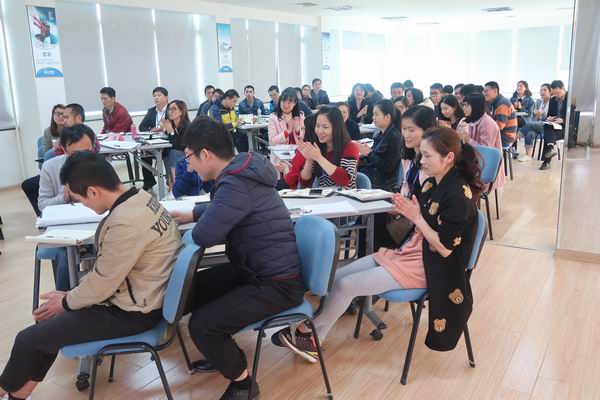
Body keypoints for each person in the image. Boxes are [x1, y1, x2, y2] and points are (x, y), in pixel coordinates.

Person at [274, 126, 482, 360]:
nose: (421, 161)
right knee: (337, 277)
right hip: (411, 252)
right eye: (421, 155)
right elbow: (424, 218)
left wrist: (416, 217)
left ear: (449, 158)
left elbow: (445, 249)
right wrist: (404, 210)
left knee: (346, 286)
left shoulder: (457, 195)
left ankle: (311, 332)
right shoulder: (434, 183)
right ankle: (313, 333)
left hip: (432, 265)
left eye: (426, 156)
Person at [0, 151, 181, 400]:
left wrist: (66, 301)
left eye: (79, 199)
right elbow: (107, 276)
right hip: (146, 299)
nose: (82, 204)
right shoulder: (142, 198)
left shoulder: (124, 222)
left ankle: (5, 390)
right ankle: (16, 396)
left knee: (27, 339)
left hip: (133, 313)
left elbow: (103, 283)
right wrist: (70, 298)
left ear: (93, 191)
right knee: (44, 329)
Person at [168, 117, 305, 400]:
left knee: (202, 325)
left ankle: (244, 385)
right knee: (193, 288)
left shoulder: (234, 184)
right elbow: (228, 207)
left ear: (206, 154)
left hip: (276, 283)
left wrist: (198, 220)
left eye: (189, 158)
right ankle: (222, 354)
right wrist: (194, 213)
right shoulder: (242, 170)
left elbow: (205, 235)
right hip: (256, 270)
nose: (189, 166)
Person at [38, 124, 97, 292]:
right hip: (64, 229)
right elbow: (42, 205)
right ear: (64, 150)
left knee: (110, 248)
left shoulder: (100, 165)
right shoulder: (50, 168)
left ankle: (100, 298)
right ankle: (63, 300)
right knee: (65, 254)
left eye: (88, 152)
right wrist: (64, 197)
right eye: (76, 154)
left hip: (95, 225)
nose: (83, 159)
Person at [22, 104, 88, 217]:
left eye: (66, 116)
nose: (62, 119)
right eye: (58, 114)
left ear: (77, 118)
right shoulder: (50, 132)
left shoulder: (86, 136)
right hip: (56, 170)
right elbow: (46, 153)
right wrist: (64, 197)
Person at [290, 106, 359, 189]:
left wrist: (319, 158)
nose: (319, 131)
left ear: (336, 128)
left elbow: (345, 179)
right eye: (317, 126)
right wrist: (309, 161)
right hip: (323, 195)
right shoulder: (318, 146)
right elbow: (305, 183)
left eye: (325, 127)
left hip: (346, 195)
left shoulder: (350, 147)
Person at [461, 93, 505, 189]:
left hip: (486, 165)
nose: (464, 108)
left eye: (467, 105)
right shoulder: (473, 119)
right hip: (476, 161)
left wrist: (468, 140)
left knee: (457, 176)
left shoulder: (488, 123)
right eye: (463, 105)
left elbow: (485, 152)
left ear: (475, 106)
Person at [356, 99, 402, 191]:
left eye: (376, 114)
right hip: (374, 175)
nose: (373, 117)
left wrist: (369, 154)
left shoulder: (394, 137)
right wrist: (366, 152)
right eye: (373, 114)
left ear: (387, 117)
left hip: (383, 183)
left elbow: (389, 167)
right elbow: (375, 159)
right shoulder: (379, 134)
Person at [139, 86, 169, 191]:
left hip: (168, 141)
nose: (156, 98)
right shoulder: (151, 111)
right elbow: (141, 127)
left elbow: (175, 127)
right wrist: (152, 130)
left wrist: (162, 129)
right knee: (143, 151)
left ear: (166, 97)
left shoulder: (172, 109)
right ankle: (149, 182)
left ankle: (170, 179)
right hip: (154, 142)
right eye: (154, 96)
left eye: (159, 95)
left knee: (170, 153)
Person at [517, 83, 552, 162]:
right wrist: (537, 115)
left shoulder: (552, 102)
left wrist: (543, 115)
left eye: (545, 90)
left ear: (550, 92)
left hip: (548, 125)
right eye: (541, 90)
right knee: (530, 133)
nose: (542, 92)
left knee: (529, 124)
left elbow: (552, 117)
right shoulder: (539, 102)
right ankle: (528, 156)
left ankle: (512, 140)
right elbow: (535, 119)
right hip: (538, 124)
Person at [540, 80, 568, 171]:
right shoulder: (552, 100)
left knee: (548, 136)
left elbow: (573, 117)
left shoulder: (570, 98)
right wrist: (550, 118)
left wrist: (563, 120)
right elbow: (549, 114)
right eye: (554, 93)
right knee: (547, 126)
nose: (556, 95)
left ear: (563, 88)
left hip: (565, 127)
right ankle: (551, 148)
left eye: (558, 93)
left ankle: (546, 162)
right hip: (555, 125)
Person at [161, 100, 190, 183]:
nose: (170, 111)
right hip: (177, 152)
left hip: (188, 154)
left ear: (181, 112)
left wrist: (171, 132)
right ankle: (171, 182)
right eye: (169, 109)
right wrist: (166, 131)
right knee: (165, 153)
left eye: (174, 109)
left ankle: (175, 183)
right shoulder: (172, 124)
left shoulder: (186, 126)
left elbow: (180, 147)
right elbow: (170, 140)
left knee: (173, 153)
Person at [484, 81, 518, 148]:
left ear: (495, 91)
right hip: (502, 135)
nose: (484, 93)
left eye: (486, 91)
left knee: (480, 141)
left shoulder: (502, 103)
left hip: (505, 138)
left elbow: (499, 126)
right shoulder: (496, 102)